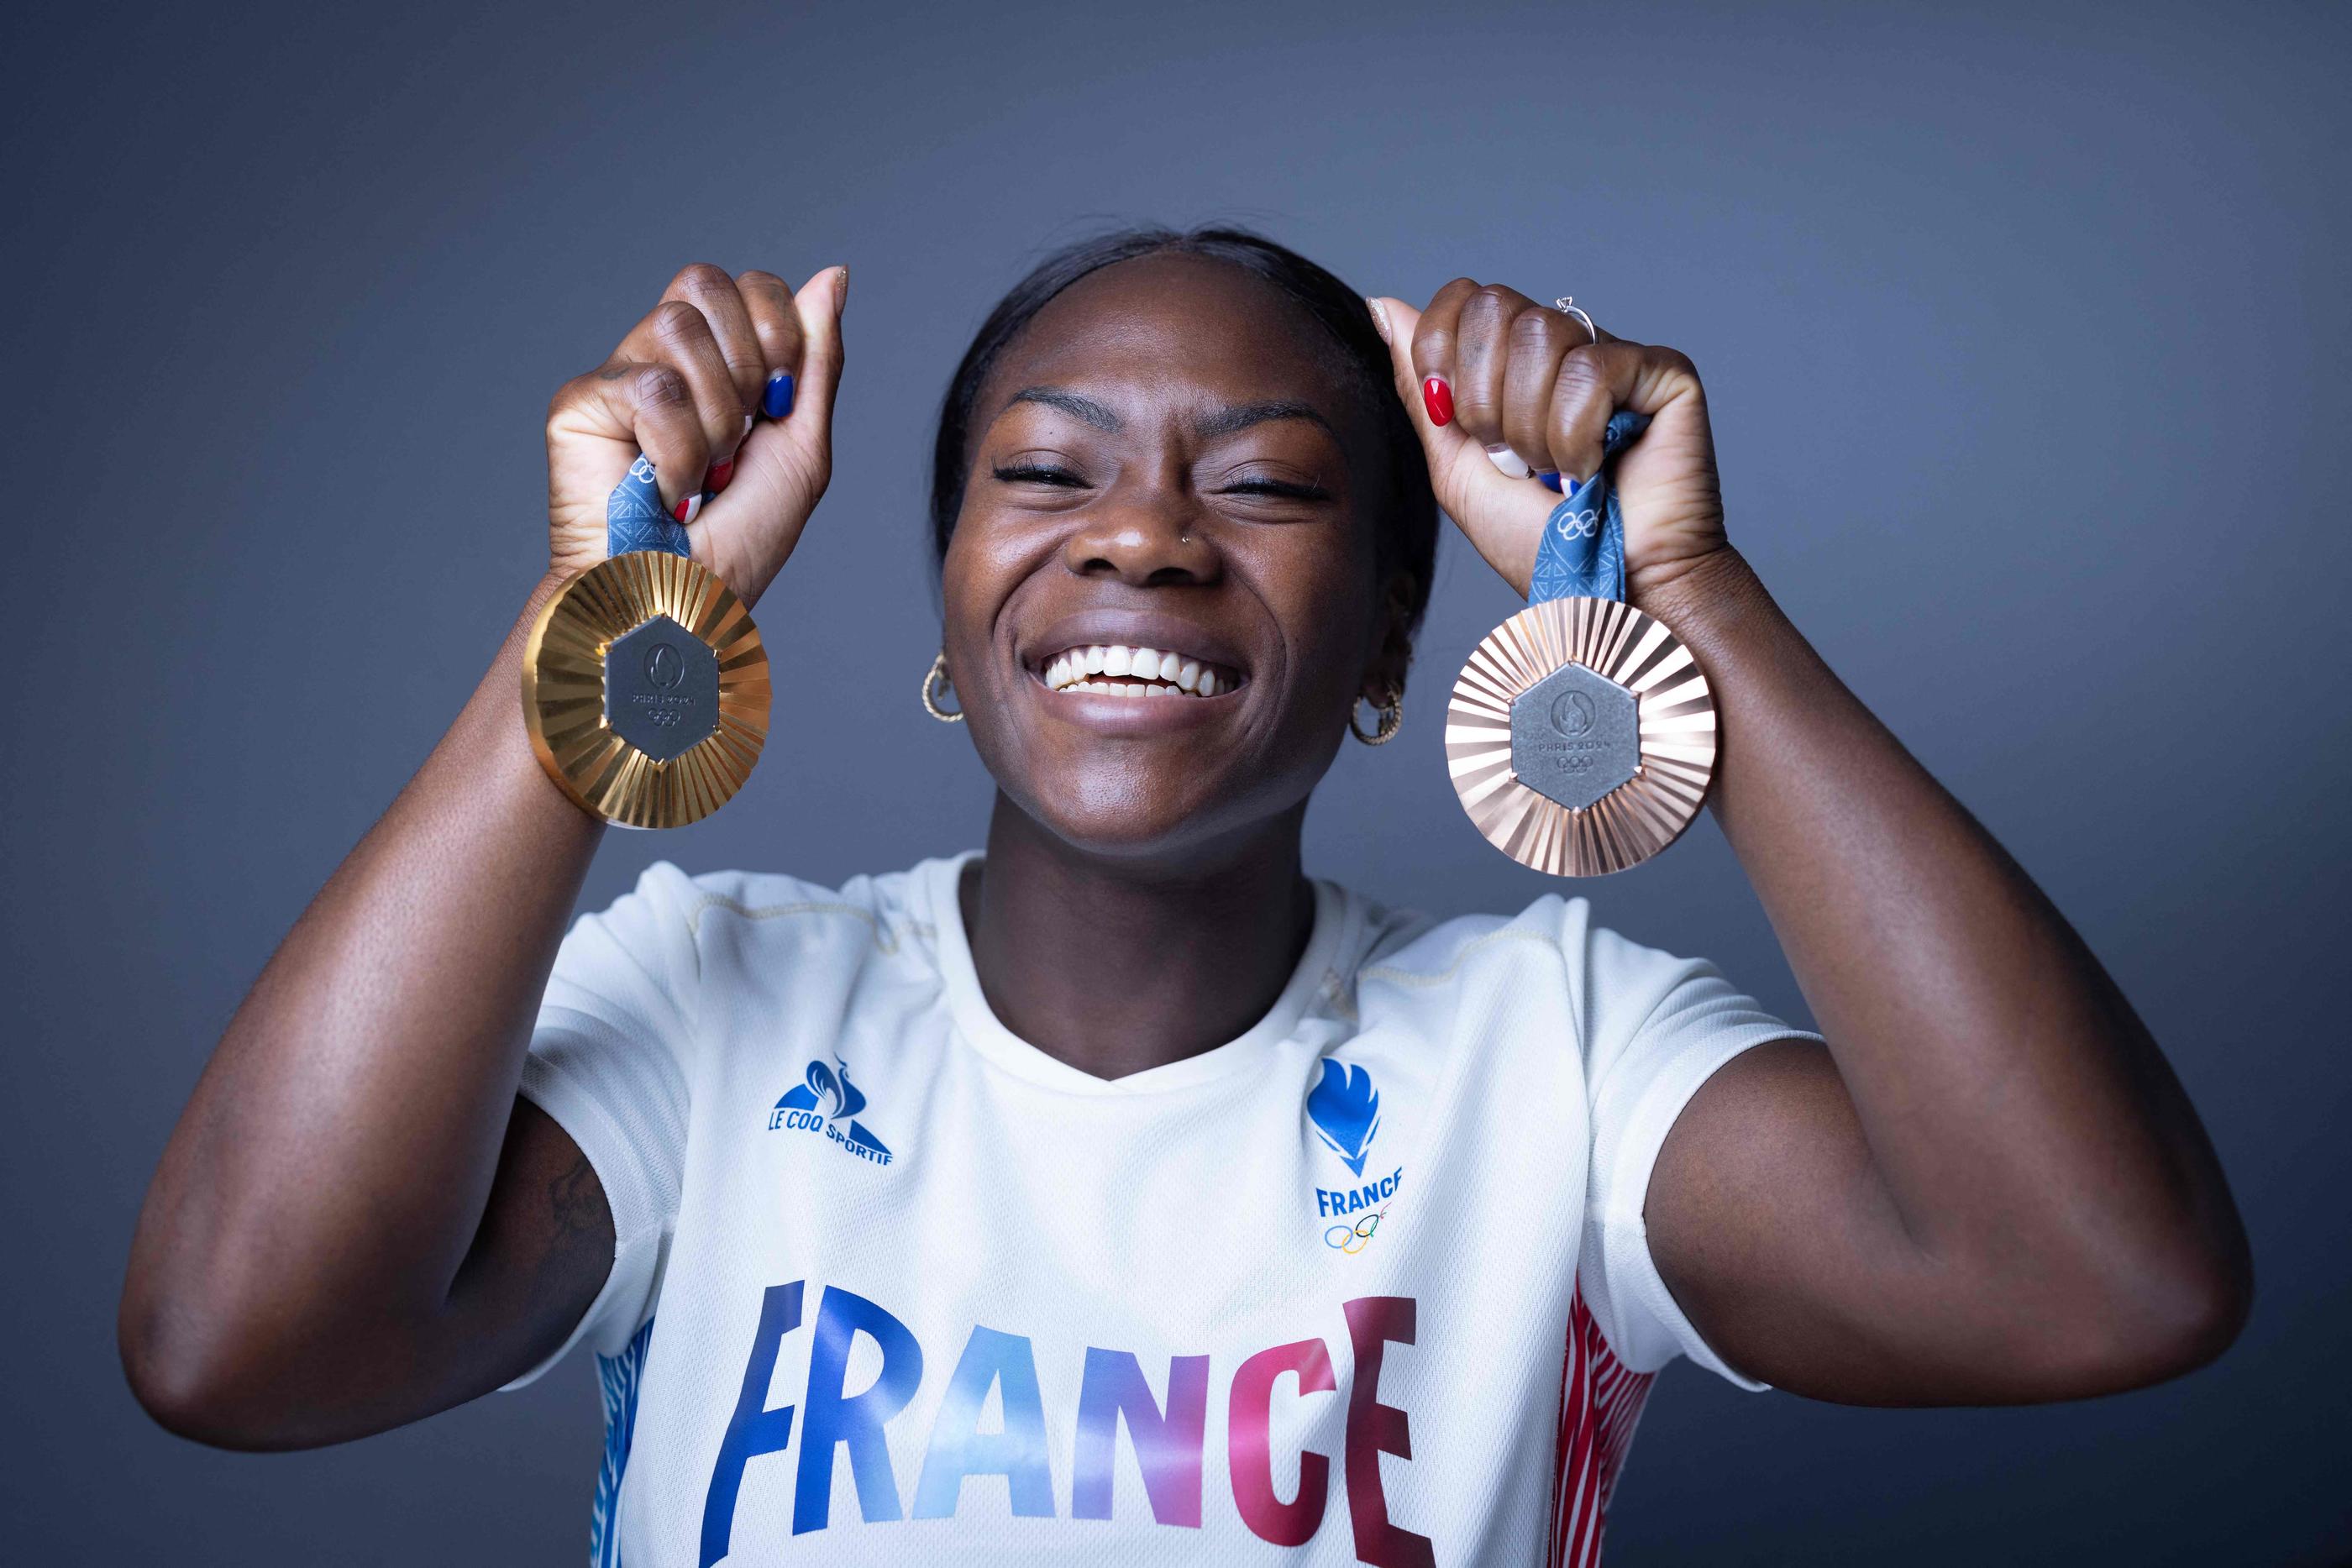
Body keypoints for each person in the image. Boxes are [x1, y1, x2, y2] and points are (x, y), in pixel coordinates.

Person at [119, 226, 2251, 1566]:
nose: (1138, 536)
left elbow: (2095, 1283)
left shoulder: (1558, 1061)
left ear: (1396, 654)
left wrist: (1677, 588)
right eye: (1044, 472)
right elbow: (234, 1342)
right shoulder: (719, 998)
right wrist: (609, 616)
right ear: (952, 630)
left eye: (1260, 483)